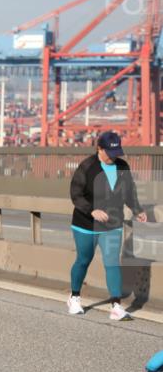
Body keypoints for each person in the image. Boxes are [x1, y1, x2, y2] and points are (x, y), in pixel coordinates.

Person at [67, 131, 147, 321]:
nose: (113, 157)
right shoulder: (87, 166)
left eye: (116, 153)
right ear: (99, 149)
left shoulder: (122, 166)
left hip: (112, 224)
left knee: (112, 263)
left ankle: (116, 307)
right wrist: (91, 210)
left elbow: (130, 191)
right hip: (85, 224)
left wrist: (137, 209)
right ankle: (74, 297)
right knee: (83, 260)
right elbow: (75, 194)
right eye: (110, 153)